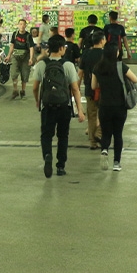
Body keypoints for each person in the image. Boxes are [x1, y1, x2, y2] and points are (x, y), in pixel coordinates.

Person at [30, 35, 85, 177]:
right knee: (63, 136)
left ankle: (47, 155)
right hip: (64, 106)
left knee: (46, 135)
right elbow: (75, 88)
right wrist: (80, 110)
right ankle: (61, 166)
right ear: (61, 48)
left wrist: (38, 101)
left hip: (47, 105)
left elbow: (35, 87)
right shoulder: (68, 65)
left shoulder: (42, 64)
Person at [90, 43, 137, 171]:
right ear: (115, 53)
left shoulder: (98, 67)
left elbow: (93, 86)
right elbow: (135, 79)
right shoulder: (120, 66)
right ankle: (116, 163)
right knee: (118, 134)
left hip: (104, 105)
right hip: (119, 106)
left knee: (106, 133)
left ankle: (104, 150)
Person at [77, 31, 105, 150]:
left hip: (89, 88)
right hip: (104, 89)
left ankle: (92, 142)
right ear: (102, 41)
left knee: (92, 115)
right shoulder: (105, 54)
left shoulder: (86, 54)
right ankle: (99, 133)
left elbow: (80, 72)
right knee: (105, 113)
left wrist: (76, 87)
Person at [4, 19, 35, 100]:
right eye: (20, 24)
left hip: (25, 56)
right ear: (18, 25)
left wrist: (31, 58)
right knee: (13, 73)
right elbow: (12, 46)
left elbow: (31, 48)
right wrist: (8, 56)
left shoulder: (28, 36)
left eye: (23, 24)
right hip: (15, 56)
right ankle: (15, 90)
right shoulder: (15, 34)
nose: (22, 26)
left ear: (25, 26)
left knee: (25, 74)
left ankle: (23, 91)